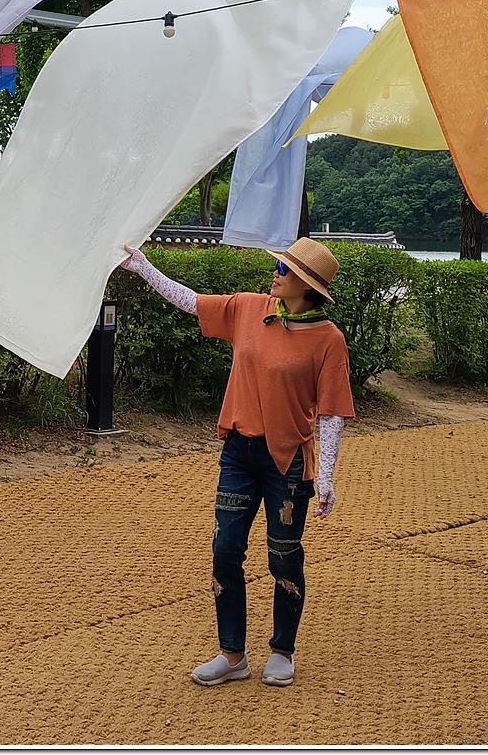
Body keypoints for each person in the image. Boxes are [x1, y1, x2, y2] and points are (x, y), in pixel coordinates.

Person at [118, 236, 353, 688]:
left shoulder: (329, 340)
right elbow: (191, 301)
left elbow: (330, 414)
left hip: (287, 464)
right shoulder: (249, 308)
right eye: (278, 267)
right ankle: (232, 655)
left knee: (284, 558)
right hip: (238, 454)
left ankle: (282, 651)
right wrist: (143, 267)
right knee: (225, 551)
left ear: (306, 286)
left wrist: (325, 477)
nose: (275, 274)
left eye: (283, 270)